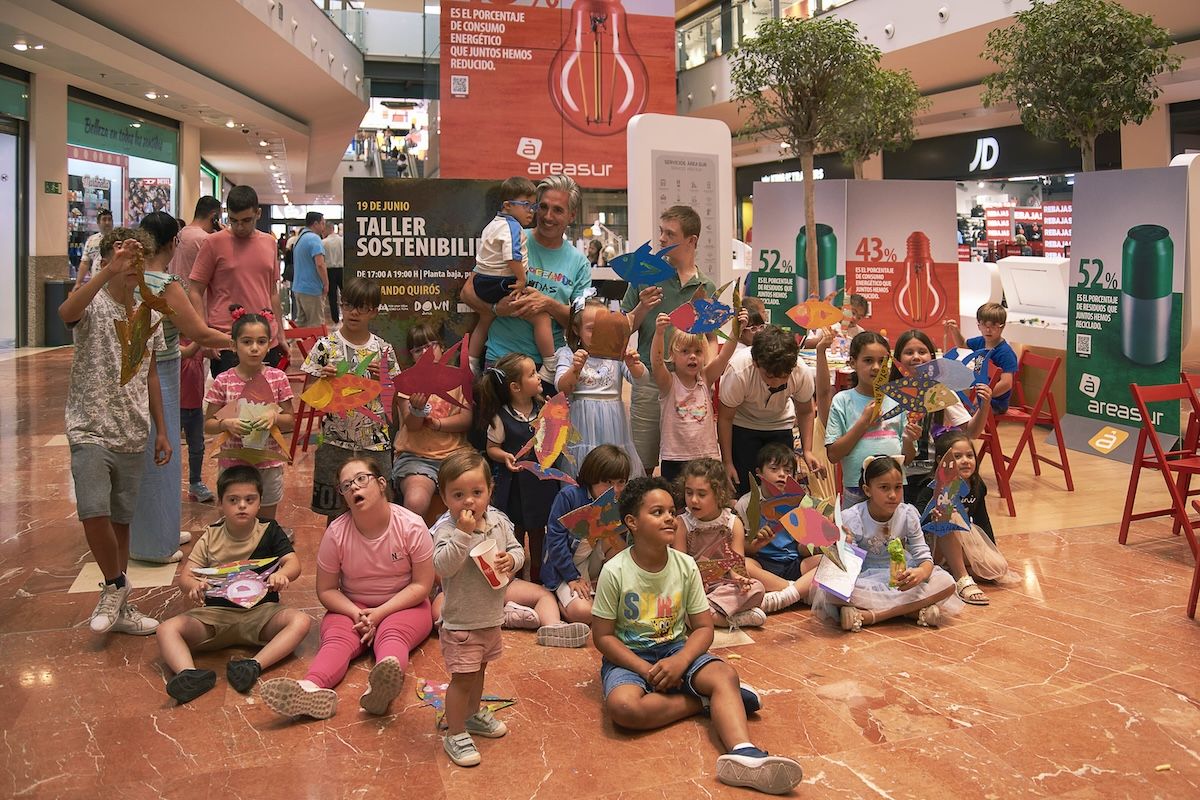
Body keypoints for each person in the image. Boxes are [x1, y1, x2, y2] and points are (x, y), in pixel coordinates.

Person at [592, 476, 805, 795]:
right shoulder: (615, 571)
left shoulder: (684, 566)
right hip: (630, 657)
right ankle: (702, 703)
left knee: (724, 675)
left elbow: (704, 628)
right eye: (657, 512)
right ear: (632, 522)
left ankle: (743, 752)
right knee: (624, 709)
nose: (668, 518)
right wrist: (643, 669)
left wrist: (681, 660)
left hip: (676, 649)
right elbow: (603, 637)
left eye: (669, 511)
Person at [260, 458, 435, 719]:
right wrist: (357, 613)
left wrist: (380, 614)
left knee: (392, 636)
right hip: (353, 606)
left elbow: (422, 585)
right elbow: (327, 590)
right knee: (337, 641)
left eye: (361, 479)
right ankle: (309, 689)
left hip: (404, 604)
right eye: (346, 485)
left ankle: (381, 689)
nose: (354, 488)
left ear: (381, 483)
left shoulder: (411, 525)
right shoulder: (337, 532)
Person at [59, 228, 170, 636]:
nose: (130, 267)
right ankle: (116, 584)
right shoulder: (94, 304)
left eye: (136, 259)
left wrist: (161, 430)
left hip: (132, 429)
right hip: (89, 427)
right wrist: (105, 273)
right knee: (93, 511)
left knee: (121, 521)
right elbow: (66, 313)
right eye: (123, 259)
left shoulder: (149, 314)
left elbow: (151, 375)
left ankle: (120, 606)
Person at [155, 466, 310, 703]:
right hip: (216, 617)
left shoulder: (269, 530)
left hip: (262, 614)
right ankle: (189, 674)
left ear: (259, 502)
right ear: (221, 504)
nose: (242, 505)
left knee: (301, 621)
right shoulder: (211, 535)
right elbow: (185, 577)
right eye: (233, 500)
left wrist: (283, 575)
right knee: (166, 629)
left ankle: (253, 666)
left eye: (250, 499)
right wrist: (193, 586)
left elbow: (293, 563)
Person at [129, 212, 232, 563]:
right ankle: (157, 543)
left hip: (139, 371)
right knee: (164, 454)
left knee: (148, 455)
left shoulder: (132, 277)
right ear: (173, 242)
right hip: (163, 373)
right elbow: (199, 331)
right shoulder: (166, 283)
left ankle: (159, 531)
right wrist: (241, 340)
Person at [431, 450, 523, 767]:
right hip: (461, 624)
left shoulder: (497, 522)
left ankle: (471, 716)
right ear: (444, 497)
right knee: (462, 680)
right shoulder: (446, 531)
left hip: (489, 618)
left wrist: (513, 561)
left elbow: (516, 549)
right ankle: (454, 733)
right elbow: (443, 566)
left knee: (479, 672)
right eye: (458, 495)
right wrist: (462, 535)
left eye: (477, 493)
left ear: (489, 491)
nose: (469, 502)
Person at [468, 174, 592, 391]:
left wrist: (548, 304)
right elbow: (467, 292)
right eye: (542, 207)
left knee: (546, 427)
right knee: (495, 425)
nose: (547, 216)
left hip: (549, 368)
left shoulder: (579, 262)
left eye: (558, 210)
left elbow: (582, 323)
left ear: (572, 215)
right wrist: (496, 308)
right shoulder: (511, 237)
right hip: (501, 359)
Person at [813, 455, 961, 632]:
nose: (893, 495)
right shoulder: (853, 517)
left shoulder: (908, 514)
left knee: (947, 582)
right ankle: (912, 612)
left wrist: (921, 572)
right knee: (831, 589)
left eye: (898, 487)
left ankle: (869, 616)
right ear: (868, 490)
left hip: (900, 579)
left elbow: (924, 557)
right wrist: (846, 545)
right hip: (864, 578)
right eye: (884, 488)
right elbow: (843, 567)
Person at [623, 206, 717, 471]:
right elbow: (624, 328)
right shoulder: (645, 276)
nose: (661, 239)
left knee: (687, 466)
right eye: (660, 232)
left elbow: (711, 338)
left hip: (688, 390)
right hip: (651, 382)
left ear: (692, 241)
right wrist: (642, 307)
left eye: (669, 233)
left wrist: (703, 374)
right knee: (641, 464)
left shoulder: (706, 287)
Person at [300, 278, 399, 524]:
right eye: (348, 305)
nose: (354, 312)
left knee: (378, 508)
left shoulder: (383, 350)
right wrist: (323, 382)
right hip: (334, 442)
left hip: (375, 443)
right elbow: (310, 398)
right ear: (341, 306)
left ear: (374, 310)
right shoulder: (325, 347)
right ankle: (337, 560)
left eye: (362, 307)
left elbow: (392, 400)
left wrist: (385, 381)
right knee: (335, 514)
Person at [475, 353, 560, 585]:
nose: (539, 377)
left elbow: (554, 440)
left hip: (540, 485)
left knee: (537, 533)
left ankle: (536, 580)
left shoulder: (544, 407)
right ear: (515, 387)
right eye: (532, 374)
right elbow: (492, 447)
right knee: (514, 531)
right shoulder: (500, 416)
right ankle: (513, 579)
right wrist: (505, 457)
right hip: (513, 487)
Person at [204, 306, 294, 520]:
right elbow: (208, 424)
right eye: (247, 342)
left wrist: (274, 418)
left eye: (261, 342)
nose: (254, 348)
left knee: (266, 522)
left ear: (269, 344)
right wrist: (226, 424)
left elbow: (290, 421)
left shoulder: (278, 378)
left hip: (268, 464)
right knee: (235, 522)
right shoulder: (224, 380)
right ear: (233, 346)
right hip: (233, 465)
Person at [188, 186, 288, 378]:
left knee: (266, 404)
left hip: (265, 337)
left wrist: (281, 334)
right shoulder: (213, 243)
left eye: (246, 220)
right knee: (230, 406)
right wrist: (203, 336)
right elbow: (195, 290)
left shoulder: (269, 243)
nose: (239, 227)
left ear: (258, 213)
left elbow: (272, 292)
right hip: (227, 339)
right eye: (234, 221)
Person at [466, 177, 557, 383]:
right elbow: (513, 255)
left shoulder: (493, 224)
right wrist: (522, 279)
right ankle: (551, 363)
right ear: (507, 205)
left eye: (532, 206)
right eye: (526, 205)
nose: (531, 211)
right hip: (501, 283)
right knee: (541, 316)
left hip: (483, 281)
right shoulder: (512, 227)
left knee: (485, 317)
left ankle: (471, 362)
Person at [718, 326, 820, 497]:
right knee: (745, 487)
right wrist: (727, 462)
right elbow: (725, 418)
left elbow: (806, 412)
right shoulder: (739, 371)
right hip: (744, 425)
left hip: (780, 425)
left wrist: (807, 450)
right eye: (770, 377)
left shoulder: (800, 371)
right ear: (756, 364)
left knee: (781, 488)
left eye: (783, 377)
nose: (776, 383)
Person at [892, 329, 991, 504]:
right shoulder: (890, 393)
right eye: (909, 352)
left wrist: (984, 407)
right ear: (898, 359)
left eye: (922, 352)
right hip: (896, 474)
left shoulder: (940, 392)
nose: (916, 357)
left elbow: (971, 433)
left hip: (931, 475)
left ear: (932, 358)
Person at [912, 430, 1009, 606]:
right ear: (941, 460)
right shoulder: (931, 487)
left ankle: (950, 568)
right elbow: (916, 520)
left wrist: (991, 549)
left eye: (969, 455)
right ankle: (962, 577)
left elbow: (982, 520)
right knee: (950, 512)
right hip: (932, 542)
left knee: (997, 569)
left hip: (959, 540)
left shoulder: (977, 485)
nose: (965, 460)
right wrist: (933, 517)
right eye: (957, 456)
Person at [826, 331, 920, 509]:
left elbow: (907, 458)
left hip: (893, 490)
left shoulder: (899, 401)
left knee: (894, 535)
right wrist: (863, 422)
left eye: (882, 361)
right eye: (868, 360)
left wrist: (909, 439)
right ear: (853, 362)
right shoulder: (842, 401)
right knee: (854, 536)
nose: (876, 367)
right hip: (857, 488)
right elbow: (833, 454)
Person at [651, 307, 744, 484]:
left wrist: (736, 328)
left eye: (698, 352)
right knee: (677, 504)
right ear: (672, 355)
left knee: (705, 500)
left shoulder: (705, 379)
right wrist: (659, 333)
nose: (692, 357)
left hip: (705, 458)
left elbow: (724, 356)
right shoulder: (668, 383)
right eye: (685, 351)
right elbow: (656, 362)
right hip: (674, 458)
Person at [554, 298, 645, 478]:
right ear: (576, 329)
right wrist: (575, 368)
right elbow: (562, 388)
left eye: (602, 328)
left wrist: (633, 364)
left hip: (613, 422)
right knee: (585, 469)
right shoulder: (568, 353)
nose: (597, 334)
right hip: (581, 422)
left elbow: (641, 380)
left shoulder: (616, 353)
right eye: (590, 328)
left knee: (615, 467)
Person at [392, 324, 473, 522]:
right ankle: (412, 548)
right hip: (416, 457)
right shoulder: (408, 381)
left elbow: (466, 419)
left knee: (476, 494)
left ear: (442, 347)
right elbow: (410, 425)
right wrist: (417, 410)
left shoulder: (458, 378)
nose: (425, 352)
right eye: (418, 349)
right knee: (416, 501)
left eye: (431, 345)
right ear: (411, 355)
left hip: (456, 455)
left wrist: (437, 423)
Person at [542, 444, 631, 623]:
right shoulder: (569, 496)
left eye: (620, 482)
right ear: (592, 478)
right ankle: (555, 601)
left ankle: (605, 586)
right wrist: (572, 577)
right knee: (585, 614)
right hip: (564, 568)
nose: (615, 489)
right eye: (608, 482)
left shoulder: (620, 500)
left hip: (593, 560)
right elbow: (555, 540)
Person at [674, 458, 766, 629]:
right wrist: (697, 585)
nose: (694, 500)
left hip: (723, 587)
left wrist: (739, 578)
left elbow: (737, 564)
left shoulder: (732, 523)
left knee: (757, 588)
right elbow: (681, 567)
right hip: (694, 587)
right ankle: (731, 618)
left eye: (701, 494)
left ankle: (706, 615)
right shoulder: (682, 523)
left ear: (719, 494)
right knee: (680, 603)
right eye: (689, 493)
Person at [735, 443, 821, 614]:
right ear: (759, 473)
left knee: (830, 561)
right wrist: (756, 542)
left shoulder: (801, 502)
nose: (782, 475)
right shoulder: (746, 503)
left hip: (794, 563)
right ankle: (798, 592)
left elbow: (803, 549)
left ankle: (782, 595)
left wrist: (819, 543)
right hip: (763, 565)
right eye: (774, 469)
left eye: (788, 471)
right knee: (742, 565)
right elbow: (742, 548)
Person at [945, 302, 1018, 414]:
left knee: (960, 410)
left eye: (993, 326)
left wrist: (984, 396)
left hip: (995, 402)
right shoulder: (980, 341)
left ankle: (964, 431)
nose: (988, 330)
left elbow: (1006, 384)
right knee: (947, 395)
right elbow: (962, 345)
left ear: (1002, 326)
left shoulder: (1005, 353)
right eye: (984, 325)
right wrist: (955, 331)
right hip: (977, 392)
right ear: (978, 325)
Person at [167, 196, 221, 283]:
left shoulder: (180, 233)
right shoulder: (206, 239)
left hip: (177, 292)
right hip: (197, 294)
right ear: (214, 217)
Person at [292, 211, 329, 328]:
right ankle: (315, 347)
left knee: (301, 324)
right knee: (316, 325)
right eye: (322, 223)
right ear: (315, 224)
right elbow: (320, 264)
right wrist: (326, 283)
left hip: (298, 287)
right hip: (311, 288)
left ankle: (291, 345)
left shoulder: (300, 238)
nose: (324, 227)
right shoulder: (314, 239)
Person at [72, 207, 113, 290]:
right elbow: (85, 263)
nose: (107, 222)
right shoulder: (91, 240)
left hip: (114, 284)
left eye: (109, 219)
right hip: (96, 284)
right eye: (104, 220)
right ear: (98, 222)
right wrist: (78, 283)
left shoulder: (119, 238)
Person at [323, 223, 344, 324]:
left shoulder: (324, 242)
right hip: (342, 269)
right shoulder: (342, 240)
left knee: (332, 296)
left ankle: (335, 318)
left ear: (327, 229)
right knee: (345, 294)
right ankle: (346, 314)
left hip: (330, 270)